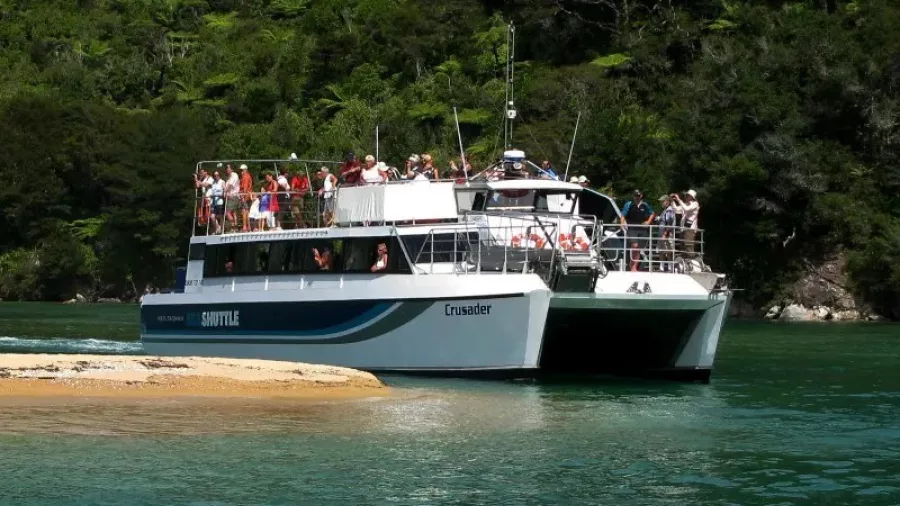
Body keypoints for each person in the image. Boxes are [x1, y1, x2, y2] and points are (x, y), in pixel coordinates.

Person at [620, 190, 655, 272]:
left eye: (638, 196)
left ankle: (634, 267)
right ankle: (631, 265)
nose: (636, 197)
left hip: (642, 229)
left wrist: (648, 222)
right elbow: (623, 215)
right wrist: (621, 223)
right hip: (632, 228)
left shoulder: (645, 205)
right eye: (635, 196)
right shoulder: (629, 204)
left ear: (641, 196)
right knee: (635, 245)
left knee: (638, 248)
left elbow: (652, 213)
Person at [671, 189, 700, 257]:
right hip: (683, 228)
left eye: (688, 195)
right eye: (686, 195)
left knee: (688, 245)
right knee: (682, 247)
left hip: (690, 228)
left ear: (692, 197)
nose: (686, 196)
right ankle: (685, 263)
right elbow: (676, 210)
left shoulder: (695, 204)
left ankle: (691, 261)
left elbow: (686, 209)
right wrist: (672, 201)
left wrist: (678, 199)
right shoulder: (685, 204)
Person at [655, 195, 676, 272]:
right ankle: (662, 267)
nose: (661, 203)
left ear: (667, 201)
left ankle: (670, 268)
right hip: (662, 234)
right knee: (661, 250)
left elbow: (669, 223)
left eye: (662, 201)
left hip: (667, 234)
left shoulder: (669, 210)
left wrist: (664, 234)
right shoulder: (665, 210)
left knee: (668, 250)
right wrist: (658, 218)